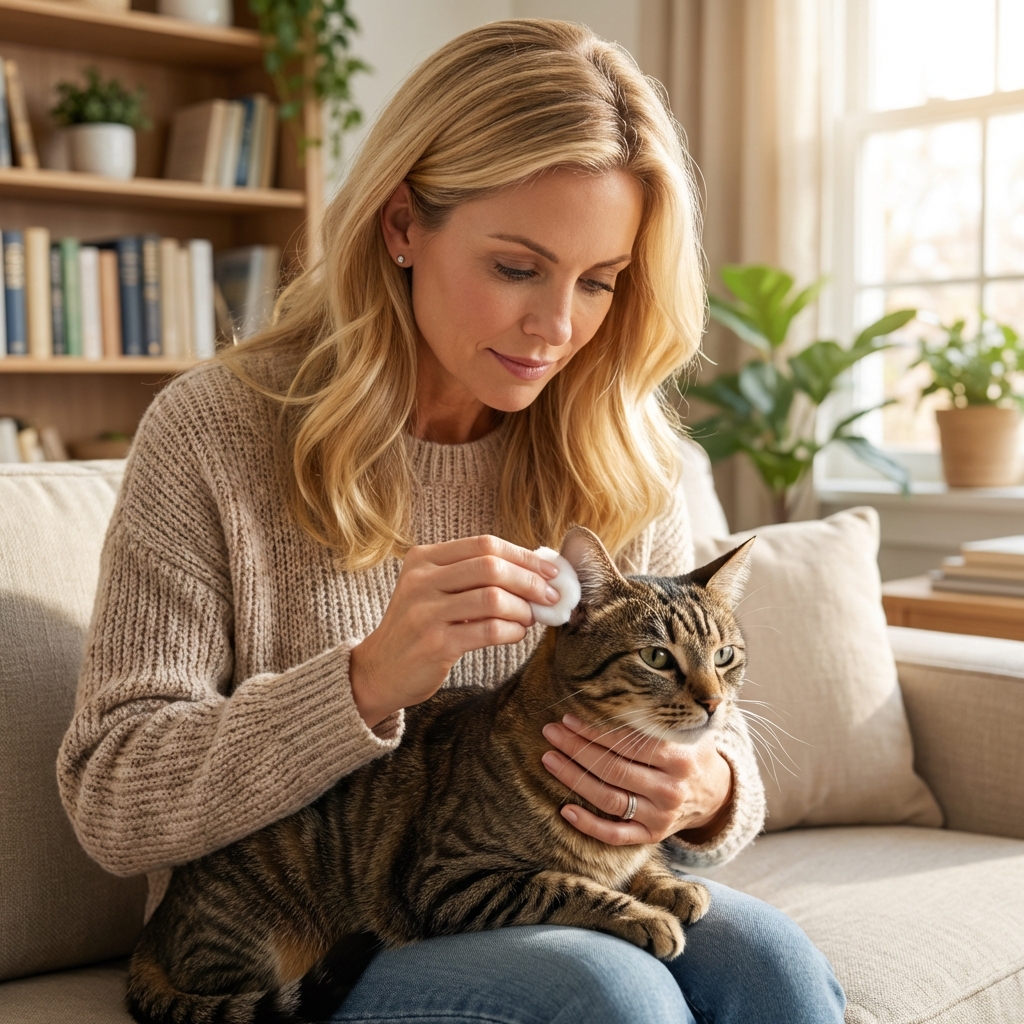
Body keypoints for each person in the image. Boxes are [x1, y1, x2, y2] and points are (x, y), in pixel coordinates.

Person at [58, 18, 845, 1024]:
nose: (556, 326)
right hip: (323, 932)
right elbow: (113, 800)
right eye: (517, 266)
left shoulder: (617, 449)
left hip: (552, 879)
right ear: (401, 224)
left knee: (769, 961)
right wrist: (361, 681)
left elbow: (711, 728)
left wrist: (705, 790)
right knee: (608, 994)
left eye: (599, 281)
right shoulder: (215, 431)